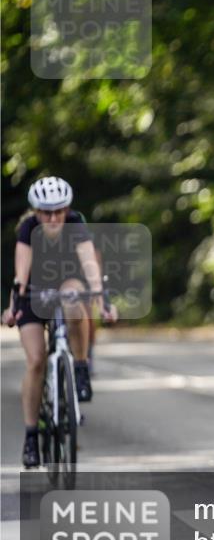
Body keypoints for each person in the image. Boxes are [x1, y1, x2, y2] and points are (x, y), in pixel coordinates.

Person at [2, 176, 118, 468]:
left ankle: (79, 367)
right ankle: (31, 437)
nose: (53, 218)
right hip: (34, 293)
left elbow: (90, 265)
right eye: (46, 212)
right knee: (36, 361)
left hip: (67, 282)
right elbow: (21, 273)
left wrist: (102, 300)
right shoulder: (28, 228)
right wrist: (14, 305)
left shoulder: (75, 223)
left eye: (59, 211)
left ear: (67, 209)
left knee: (73, 297)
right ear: (36, 211)